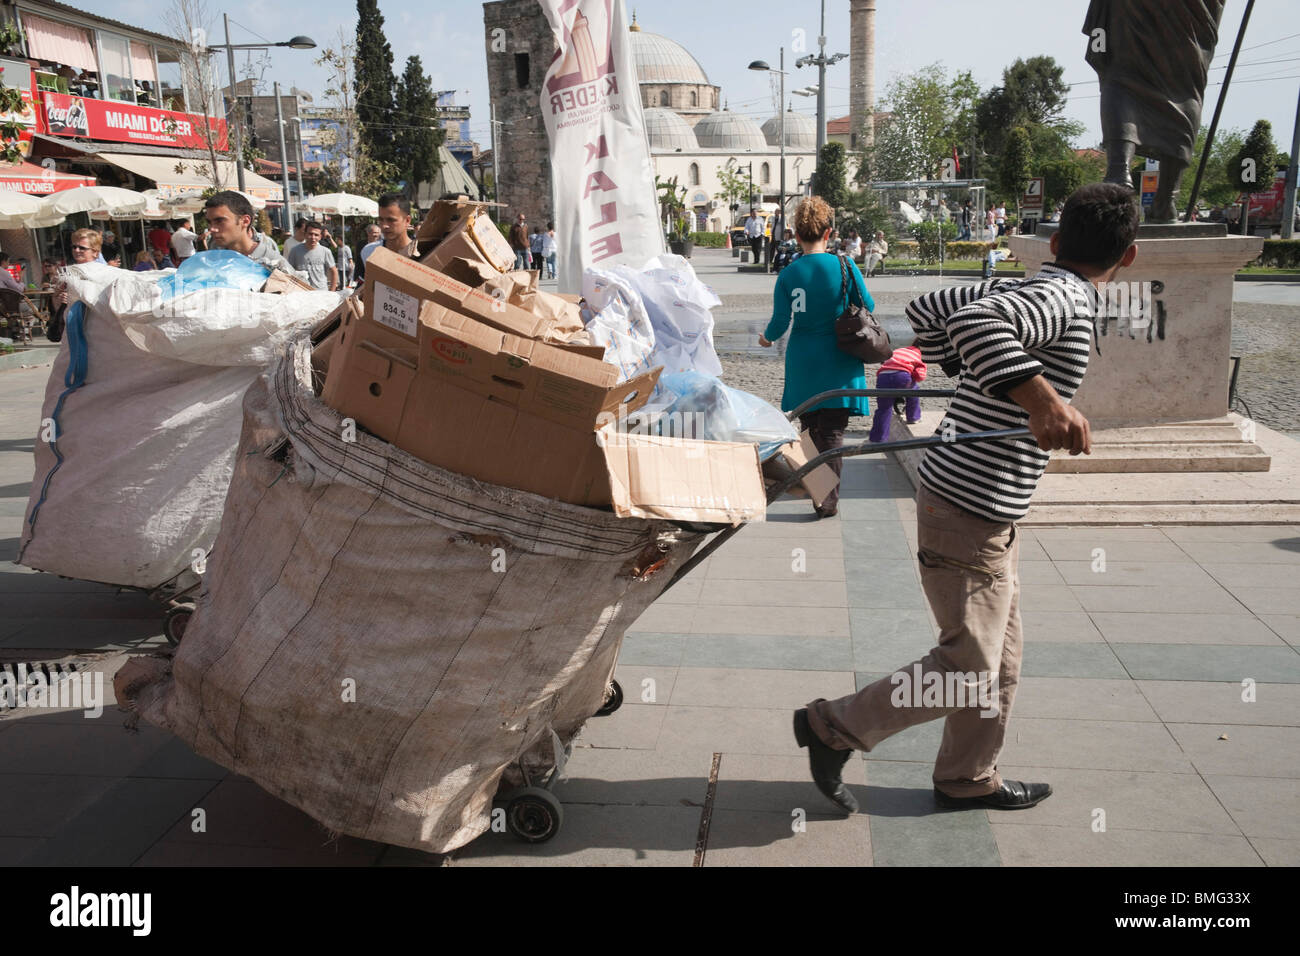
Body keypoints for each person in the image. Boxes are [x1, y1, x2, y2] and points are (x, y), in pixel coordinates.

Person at [792, 183, 1140, 815]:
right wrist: (1044, 401)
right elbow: (973, 322)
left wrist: (969, 364)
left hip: (984, 503)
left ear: (1055, 242)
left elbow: (933, 307)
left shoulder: (1028, 286)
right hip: (968, 507)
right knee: (970, 665)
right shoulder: (1064, 295)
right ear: (1131, 256)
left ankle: (967, 775)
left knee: (999, 658)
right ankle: (831, 727)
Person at [758, 196, 872, 519]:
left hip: (804, 360)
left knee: (808, 429)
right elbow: (869, 306)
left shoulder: (789, 275)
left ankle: (821, 492)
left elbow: (781, 322)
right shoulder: (845, 265)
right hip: (840, 357)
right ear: (829, 232)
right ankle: (828, 499)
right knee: (834, 431)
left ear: (796, 235)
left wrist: (766, 338)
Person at [202, 190, 301, 276]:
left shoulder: (272, 262)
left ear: (245, 221)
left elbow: (301, 293)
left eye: (219, 221)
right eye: (209, 222)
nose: (212, 229)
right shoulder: (216, 255)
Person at [868, 345, 926, 443]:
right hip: (901, 376)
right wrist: (913, 376)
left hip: (883, 377)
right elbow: (920, 375)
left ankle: (878, 439)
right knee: (914, 390)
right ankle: (913, 417)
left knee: (884, 408)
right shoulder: (918, 355)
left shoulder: (899, 350)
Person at [287, 222, 338, 291]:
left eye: (316, 235)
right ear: (305, 234)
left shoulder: (326, 251)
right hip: (302, 293)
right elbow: (288, 272)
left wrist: (332, 292)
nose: (313, 237)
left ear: (320, 237)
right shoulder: (294, 251)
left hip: (321, 293)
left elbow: (334, 271)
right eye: (310, 234)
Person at [375, 194, 418, 258]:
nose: (384, 226)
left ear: (407, 220)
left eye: (391, 220)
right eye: (381, 219)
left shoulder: (421, 255)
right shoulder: (369, 252)